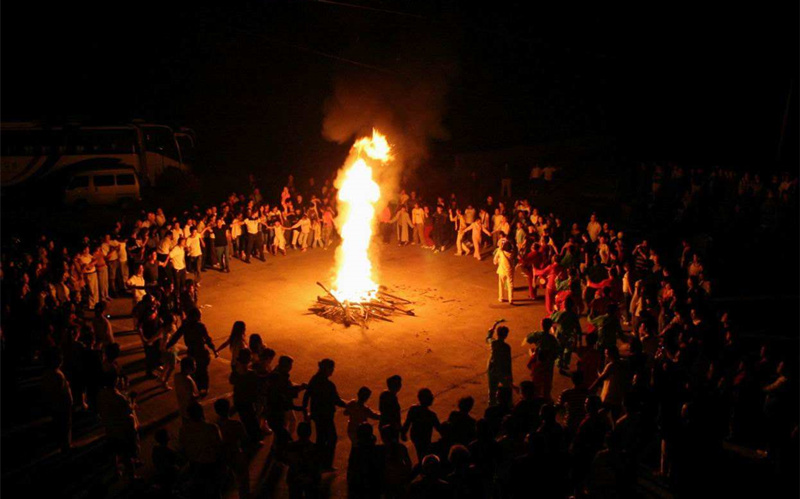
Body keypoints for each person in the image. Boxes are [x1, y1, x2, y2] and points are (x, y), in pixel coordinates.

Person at [302, 358, 346, 471]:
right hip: (326, 415)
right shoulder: (329, 385)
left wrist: (305, 411)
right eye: (332, 368)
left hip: (316, 414)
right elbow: (337, 401)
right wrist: (349, 404)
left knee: (321, 438)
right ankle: (326, 463)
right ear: (327, 369)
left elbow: (307, 395)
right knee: (331, 438)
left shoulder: (314, 379)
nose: (333, 370)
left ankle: (318, 462)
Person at [167, 307, 217, 396]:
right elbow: (207, 338)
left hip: (192, 352)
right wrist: (213, 349)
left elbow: (176, 336)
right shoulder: (200, 326)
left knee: (194, 372)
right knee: (203, 371)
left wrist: (168, 345)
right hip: (201, 352)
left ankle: (197, 388)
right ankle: (203, 388)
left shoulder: (185, 325)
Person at [179, 401, 223, 497]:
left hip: (195, 463)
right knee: (214, 490)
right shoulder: (211, 427)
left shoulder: (183, 430)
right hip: (211, 463)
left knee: (200, 490)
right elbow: (219, 445)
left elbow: (182, 447)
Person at [214, 398, 250, 499]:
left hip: (222, 456)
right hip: (235, 453)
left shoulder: (214, 426)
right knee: (243, 481)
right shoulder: (235, 424)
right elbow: (244, 439)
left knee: (223, 484)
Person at [40, 348, 73, 454]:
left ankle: (62, 444)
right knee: (65, 426)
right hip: (62, 406)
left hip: (56, 405)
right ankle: (66, 446)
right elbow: (62, 391)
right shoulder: (57, 375)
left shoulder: (48, 374)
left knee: (61, 425)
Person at [230, 348, 262, 444]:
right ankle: (253, 440)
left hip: (238, 398)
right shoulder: (251, 374)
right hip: (248, 400)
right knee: (252, 421)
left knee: (245, 419)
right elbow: (256, 389)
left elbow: (231, 381)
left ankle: (249, 438)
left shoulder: (236, 370)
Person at [282, 421, 321, 498]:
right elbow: (318, 464)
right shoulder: (315, 448)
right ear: (310, 433)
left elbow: (285, 460)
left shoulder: (290, 447)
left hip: (294, 478)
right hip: (310, 479)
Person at [524, 318, 560, 401]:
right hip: (548, 361)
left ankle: (535, 396)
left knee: (536, 379)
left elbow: (528, 339)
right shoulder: (552, 338)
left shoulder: (537, 334)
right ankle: (546, 397)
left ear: (541, 325)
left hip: (539, 359)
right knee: (547, 380)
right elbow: (557, 350)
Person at [401, 388, 441, 462]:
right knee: (424, 454)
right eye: (430, 397)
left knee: (420, 453)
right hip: (425, 439)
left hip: (415, 437)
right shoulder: (431, 415)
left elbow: (407, 422)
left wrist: (403, 433)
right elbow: (439, 429)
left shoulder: (413, 409)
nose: (432, 398)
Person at [347, 423, 382, 498]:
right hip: (374, 483)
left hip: (360, 484)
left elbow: (351, 470)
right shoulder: (377, 450)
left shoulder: (356, 451)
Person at [486, 321, 512, 404]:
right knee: (506, 387)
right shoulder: (506, 347)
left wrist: (492, 328)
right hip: (502, 370)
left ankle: (491, 404)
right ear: (506, 335)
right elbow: (508, 362)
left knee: (492, 389)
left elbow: (488, 338)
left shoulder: (493, 343)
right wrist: (509, 375)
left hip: (492, 368)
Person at [493, 236, 515, 304]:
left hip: (502, 270)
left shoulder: (500, 252)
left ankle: (501, 297)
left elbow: (495, 260)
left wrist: (496, 262)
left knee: (501, 284)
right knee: (510, 284)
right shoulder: (512, 253)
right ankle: (511, 299)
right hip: (509, 270)